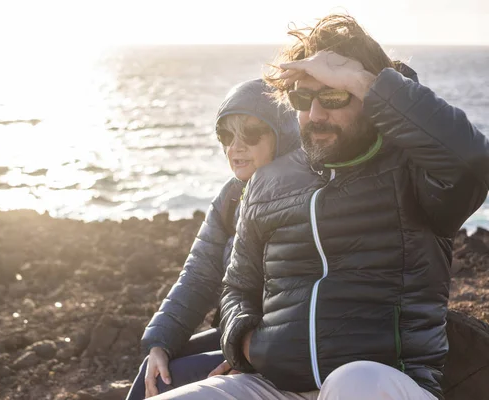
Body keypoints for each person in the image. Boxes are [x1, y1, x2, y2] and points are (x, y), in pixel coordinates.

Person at [150, 14, 489, 400]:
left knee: (354, 381)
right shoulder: (267, 182)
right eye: (301, 98)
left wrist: (368, 81)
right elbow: (237, 286)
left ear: (369, 98)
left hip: (386, 383)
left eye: (332, 97)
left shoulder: (413, 170)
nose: (314, 115)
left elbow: (472, 161)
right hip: (273, 386)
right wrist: (245, 345)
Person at [125, 78, 300, 399]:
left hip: (279, 348)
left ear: (283, 135)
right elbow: (199, 275)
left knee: (170, 378)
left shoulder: (304, 199)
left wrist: (254, 356)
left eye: (250, 133)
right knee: (154, 367)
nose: (235, 146)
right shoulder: (231, 197)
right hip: (234, 334)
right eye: (226, 135)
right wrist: (160, 341)